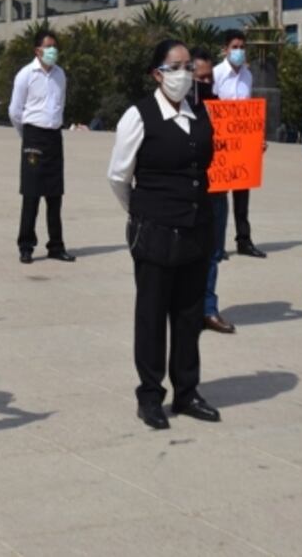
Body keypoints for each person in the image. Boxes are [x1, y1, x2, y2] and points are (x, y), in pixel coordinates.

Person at [108, 39, 221, 430]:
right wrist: (142, 213)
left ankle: (187, 392)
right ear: (158, 74)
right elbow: (119, 177)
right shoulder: (138, 116)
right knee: (152, 316)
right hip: (154, 233)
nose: (185, 75)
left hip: (194, 231)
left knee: (189, 317)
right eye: (177, 67)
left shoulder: (199, 111)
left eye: (189, 66)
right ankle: (150, 395)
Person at [9, 29, 76, 264]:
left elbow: (61, 105)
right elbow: (15, 111)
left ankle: (56, 246)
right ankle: (26, 245)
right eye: (48, 47)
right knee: (31, 194)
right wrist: (26, 136)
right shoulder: (25, 75)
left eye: (55, 46)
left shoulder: (60, 75)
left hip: (54, 137)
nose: (53, 51)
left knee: (55, 195)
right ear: (37, 50)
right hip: (33, 136)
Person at [192, 47, 235, 334]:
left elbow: (235, 145)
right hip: (192, 193)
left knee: (213, 253)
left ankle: (208, 309)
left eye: (210, 78)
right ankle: (190, 308)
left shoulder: (221, 108)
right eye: (201, 78)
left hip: (218, 191)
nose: (207, 84)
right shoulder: (180, 110)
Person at [213, 29, 266, 259]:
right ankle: (217, 243)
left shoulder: (248, 75)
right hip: (222, 143)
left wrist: (257, 137)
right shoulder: (216, 74)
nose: (239, 51)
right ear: (225, 49)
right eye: (234, 46)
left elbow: (250, 110)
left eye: (242, 47)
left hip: (243, 143)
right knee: (219, 197)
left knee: (242, 196)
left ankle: (244, 240)